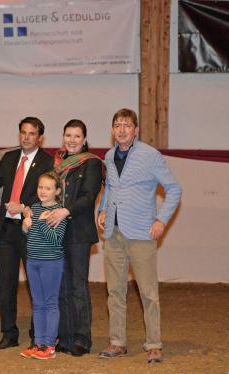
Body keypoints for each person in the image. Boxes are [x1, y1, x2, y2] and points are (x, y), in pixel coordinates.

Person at [97, 108, 181, 364]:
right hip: (113, 233)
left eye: (126, 125)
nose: (121, 130)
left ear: (135, 130)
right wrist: (101, 211)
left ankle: (154, 344)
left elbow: (174, 188)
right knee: (115, 292)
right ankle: (117, 342)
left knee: (148, 292)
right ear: (113, 130)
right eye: (117, 125)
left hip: (142, 234)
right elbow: (110, 187)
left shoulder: (150, 155)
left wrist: (161, 220)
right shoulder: (109, 156)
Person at [0, 117, 54, 350]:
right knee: (6, 285)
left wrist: (24, 208)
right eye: (23, 132)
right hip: (7, 230)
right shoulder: (9, 159)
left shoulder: (47, 162)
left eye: (31, 133)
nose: (26, 137)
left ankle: (36, 333)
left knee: (35, 285)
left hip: (33, 231)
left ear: (39, 137)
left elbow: (48, 197)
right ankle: (9, 334)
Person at [45, 119, 103, 356]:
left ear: (84, 139)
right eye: (68, 135)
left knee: (78, 286)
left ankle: (82, 339)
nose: (72, 140)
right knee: (61, 287)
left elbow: (89, 196)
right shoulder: (56, 164)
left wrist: (65, 210)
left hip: (78, 232)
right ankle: (66, 337)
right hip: (57, 232)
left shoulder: (91, 164)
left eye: (77, 136)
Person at [19, 171, 67, 360]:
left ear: (57, 191)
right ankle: (38, 344)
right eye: (40, 187)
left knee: (50, 303)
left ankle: (49, 345)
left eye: (48, 188)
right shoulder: (34, 208)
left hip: (51, 262)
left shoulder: (59, 212)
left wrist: (40, 223)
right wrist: (25, 226)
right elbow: (29, 236)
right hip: (33, 261)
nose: (43, 191)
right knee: (37, 304)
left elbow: (56, 240)